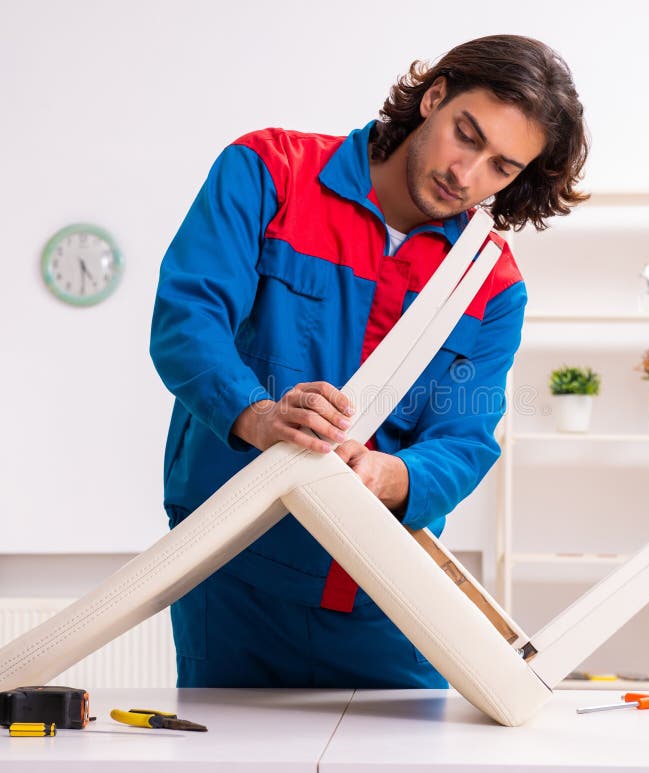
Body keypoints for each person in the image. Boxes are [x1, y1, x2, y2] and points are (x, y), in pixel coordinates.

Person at [149, 33, 588, 689]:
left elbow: (465, 438)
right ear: (434, 96)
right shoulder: (269, 171)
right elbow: (189, 319)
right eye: (466, 134)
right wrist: (259, 414)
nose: (467, 175)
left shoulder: (493, 282)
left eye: (502, 167)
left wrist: (393, 474)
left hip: (382, 585)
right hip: (232, 575)